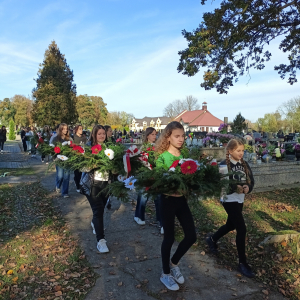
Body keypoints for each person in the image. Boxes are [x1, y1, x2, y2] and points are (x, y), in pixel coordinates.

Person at [155, 121, 197, 291]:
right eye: (177, 136)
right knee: (169, 238)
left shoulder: (183, 155)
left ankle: (174, 263)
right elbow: (158, 180)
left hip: (181, 200)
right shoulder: (163, 157)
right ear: (168, 137)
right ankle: (165, 274)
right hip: (167, 201)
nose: (181, 139)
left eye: (182, 136)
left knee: (191, 236)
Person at [205, 138, 255, 278]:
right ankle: (242, 263)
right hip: (228, 198)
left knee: (231, 225)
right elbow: (223, 183)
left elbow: (251, 180)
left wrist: (247, 187)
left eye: (243, 151)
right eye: (238, 151)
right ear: (230, 151)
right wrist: (235, 187)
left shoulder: (244, 164)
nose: (241, 153)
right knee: (241, 228)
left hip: (239, 199)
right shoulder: (223, 164)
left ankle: (212, 239)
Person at [83, 125, 110, 253]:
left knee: (100, 210)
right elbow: (82, 167)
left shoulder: (110, 148)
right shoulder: (88, 148)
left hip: (106, 184)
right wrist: (92, 164)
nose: (102, 136)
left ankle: (94, 222)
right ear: (94, 134)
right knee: (98, 210)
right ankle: (101, 241)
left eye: (103, 133)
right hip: (92, 184)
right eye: (99, 134)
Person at [134, 127, 163, 233]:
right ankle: (139, 216)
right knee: (143, 196)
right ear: (147, 135)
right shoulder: (144, 148)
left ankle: (161, 220)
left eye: (155, 134)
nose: (155, 136)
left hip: (156, 175)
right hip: (146, 175)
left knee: (158, 198)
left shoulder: (158, 147)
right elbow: (142, 161)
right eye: (152, 134)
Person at [52, 123, 73, 198]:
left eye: (66, 128)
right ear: (60, 129)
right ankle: (58, 185)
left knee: (66, 177)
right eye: (63, 129)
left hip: (67, 160)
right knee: (60, 176)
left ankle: (65, 192)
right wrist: (54, 158)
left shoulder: (69, 139)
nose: (65, 130)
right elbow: (52, 150)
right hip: (59, 160)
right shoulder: (56, 138)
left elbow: (72, 148)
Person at [73, 124, 87, 192]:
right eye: (80, 129)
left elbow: (87, 146)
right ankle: (77, 185)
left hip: (83, 157)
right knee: (77, 172)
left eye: (82, 129)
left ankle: (81, 185)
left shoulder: (84, 138)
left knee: (82, 172)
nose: (81, 130)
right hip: (76, 157)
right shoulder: (73, 138)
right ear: (76, 130)